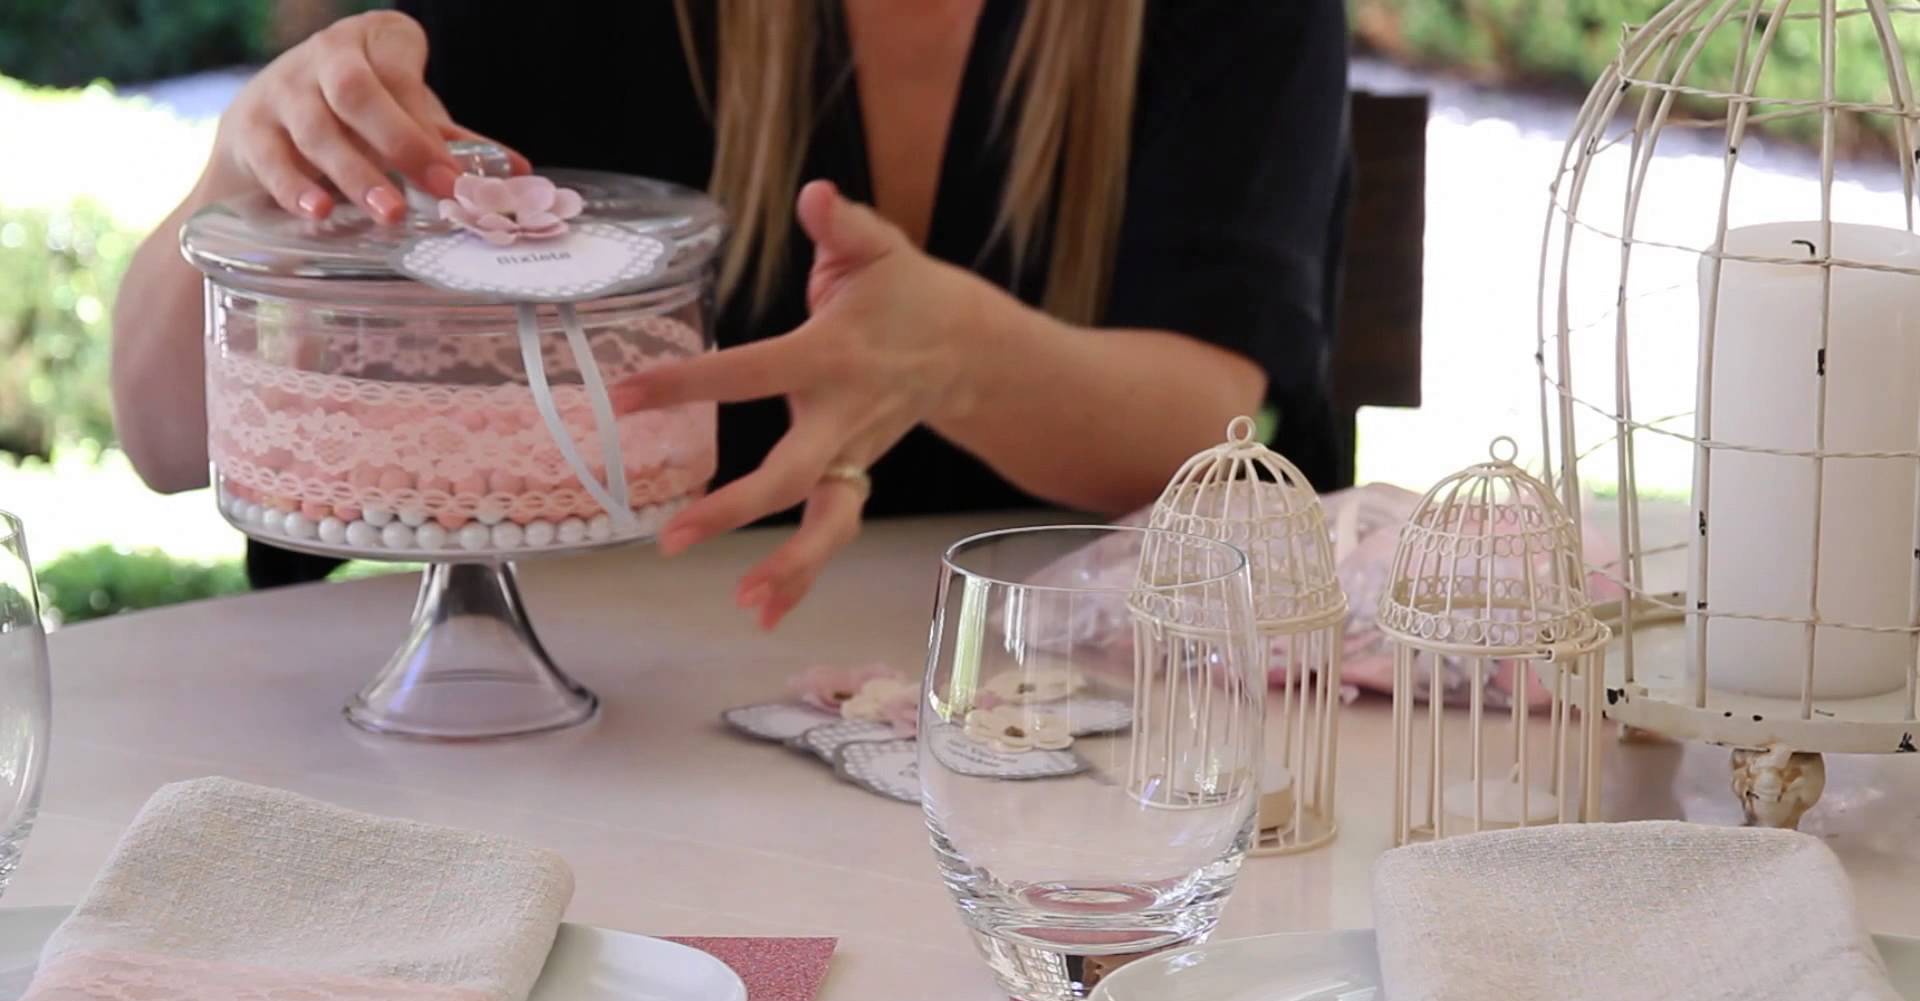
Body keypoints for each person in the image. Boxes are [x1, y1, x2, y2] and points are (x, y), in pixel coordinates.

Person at [111, 0, 1351, 629]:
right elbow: (167, 437)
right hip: (599, 745)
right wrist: (253, 162)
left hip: (1074, 734)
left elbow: (1206, 425)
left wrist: (962, 360)